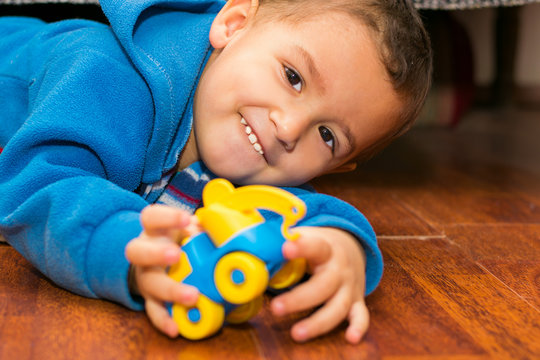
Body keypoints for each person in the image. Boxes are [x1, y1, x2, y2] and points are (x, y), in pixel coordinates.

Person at [0, 0, 432, 344]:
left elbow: (297, 210)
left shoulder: (257, 148)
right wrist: (128, 250)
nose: (289, 127)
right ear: (235, 23)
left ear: (340, 167)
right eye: (293, 77)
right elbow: (40, 186)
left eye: (328, 135)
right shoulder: (103, 75)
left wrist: (341, 245)